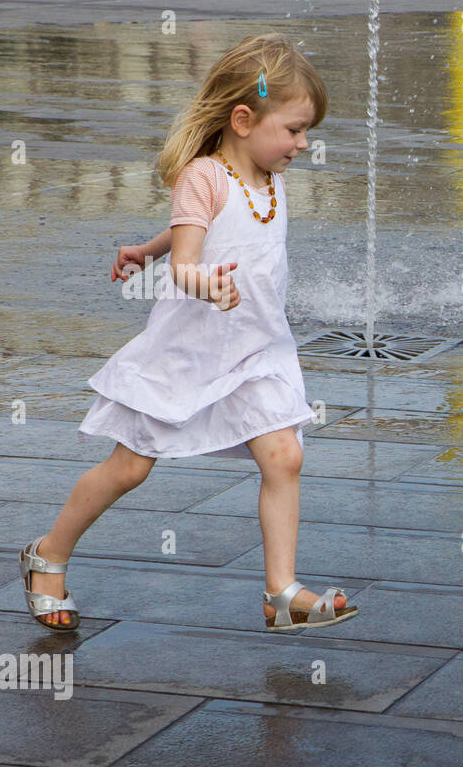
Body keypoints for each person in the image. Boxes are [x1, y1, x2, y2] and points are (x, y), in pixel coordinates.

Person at [19, 32, 358, 634]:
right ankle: (48, 554)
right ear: (244, 118)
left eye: (307, 132)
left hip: (256, 346)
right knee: (129, 467)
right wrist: (196, 279)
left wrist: (146, 248)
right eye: (296, 130)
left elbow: (190, 234)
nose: (303, 145)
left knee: (285, 455)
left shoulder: (267, 169)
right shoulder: (204, 175)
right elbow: (188, 259)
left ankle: (281, 592)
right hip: (190, 347)